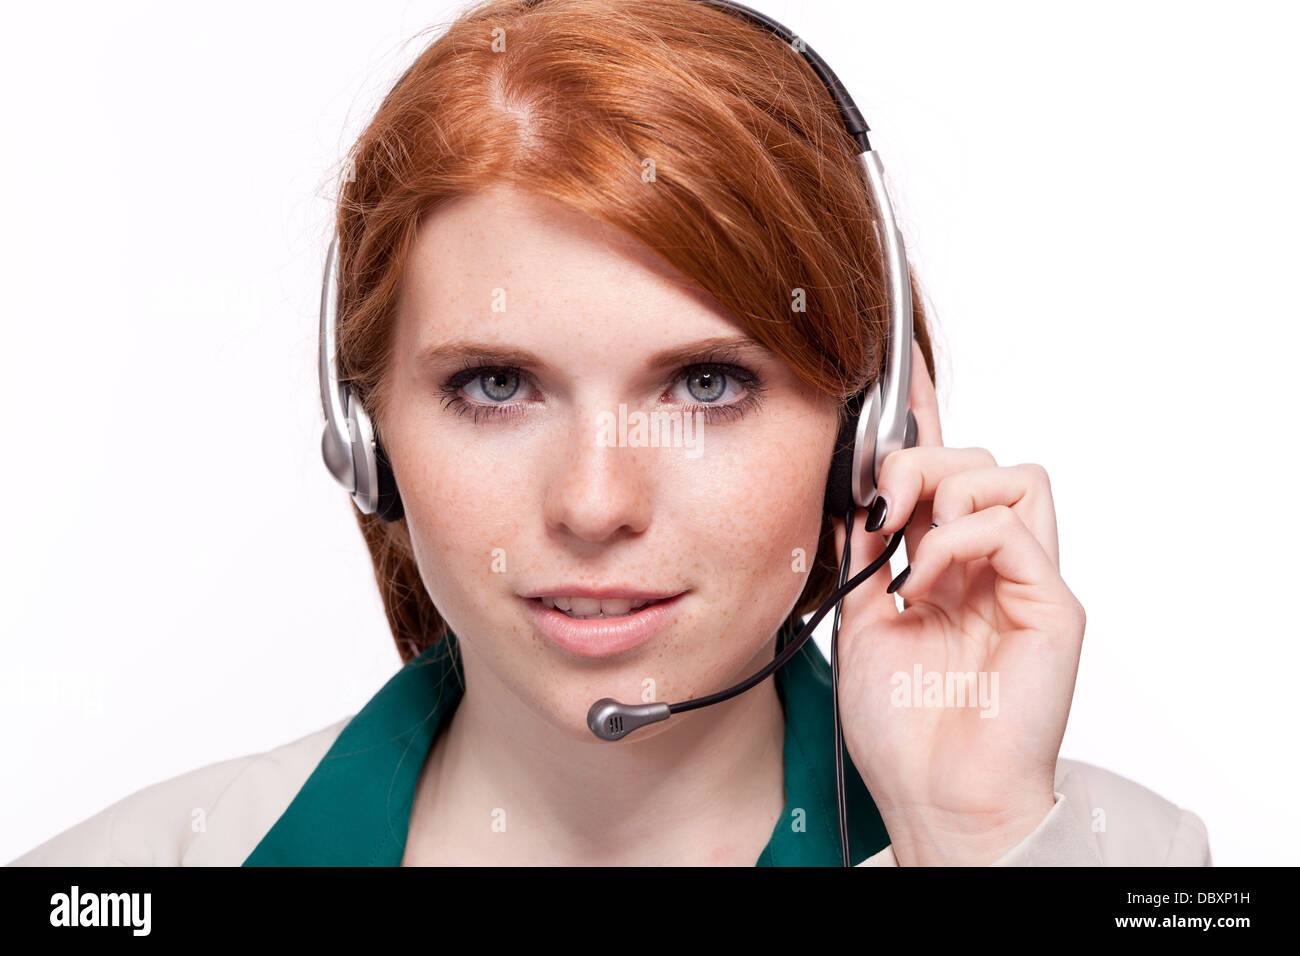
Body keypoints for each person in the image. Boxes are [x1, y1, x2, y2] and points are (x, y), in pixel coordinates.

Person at [9, 0, 1210, 867]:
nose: (593, 502)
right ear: (362, 436)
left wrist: (969, 840)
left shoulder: (1116, 857)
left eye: (705, 384)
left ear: (868, 431)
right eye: (494, 383)